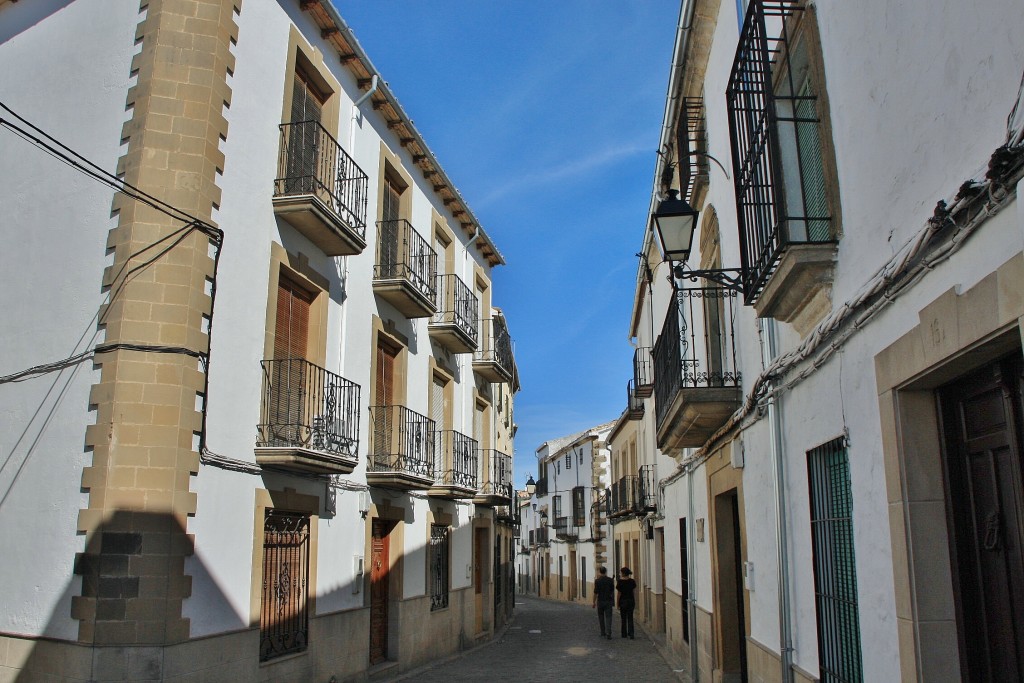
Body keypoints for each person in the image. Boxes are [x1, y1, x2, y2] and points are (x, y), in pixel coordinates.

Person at [592, 565, 615, 639]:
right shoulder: (610, 580)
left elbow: (595, 592)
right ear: (606, 572)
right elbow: (612, 590)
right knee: (609, 617)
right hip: (608, 600)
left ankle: (603, 632)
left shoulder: (597, 581)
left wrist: (593, 602)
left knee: (601, 617)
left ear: (600, 572)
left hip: (600, 601)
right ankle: (608, 632)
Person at [616, 567, 637, 639]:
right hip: (630, 601)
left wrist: (617, 603)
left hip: (623, 601)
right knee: (630, 617)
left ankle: (624, 633)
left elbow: (619, 593)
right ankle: (631, 633)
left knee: (623, 618)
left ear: (623, 573)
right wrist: (633, 600)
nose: (620, 573)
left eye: (621, 572)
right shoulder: (632, 581)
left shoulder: (620, 582)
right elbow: (633, 592)